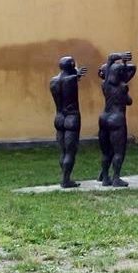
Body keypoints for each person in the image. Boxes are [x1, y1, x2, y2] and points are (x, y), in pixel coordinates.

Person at [98, 52, 136, 186]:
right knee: (119, 151)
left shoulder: (105, 85)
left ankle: (105, 177)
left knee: (106, 152)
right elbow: (133, 68)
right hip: (117, 119)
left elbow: (110, 59)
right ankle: (116, 178)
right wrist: (125, 63)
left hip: (104, 118)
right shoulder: (123, 87)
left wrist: (121, 58)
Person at [50, 56, 88, 188]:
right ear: (71, 65)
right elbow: (74, 76)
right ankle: (66, 180)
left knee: (63, 151)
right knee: (70, 152)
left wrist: (75, 72)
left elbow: (70, 75)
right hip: (72, 117)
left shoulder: (53, 81)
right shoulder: (72, 79)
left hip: (59, 117)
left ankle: (65, 177)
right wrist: (77, 72)